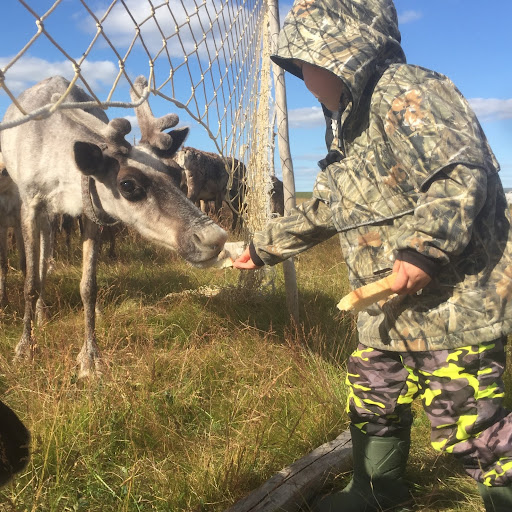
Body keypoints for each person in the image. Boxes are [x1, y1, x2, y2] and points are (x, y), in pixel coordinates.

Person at [233, 0, 512, 510]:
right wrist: (261, 248)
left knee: (468, 423)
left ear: (344, 51)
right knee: (372, 397)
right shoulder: (342, 123)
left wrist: (423, 250)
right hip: (384, 312)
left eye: (304, 58)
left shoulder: (407, 91)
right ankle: (375, 491)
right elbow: (325, 207)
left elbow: (459, 171)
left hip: (452, 306)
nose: (299, 73)